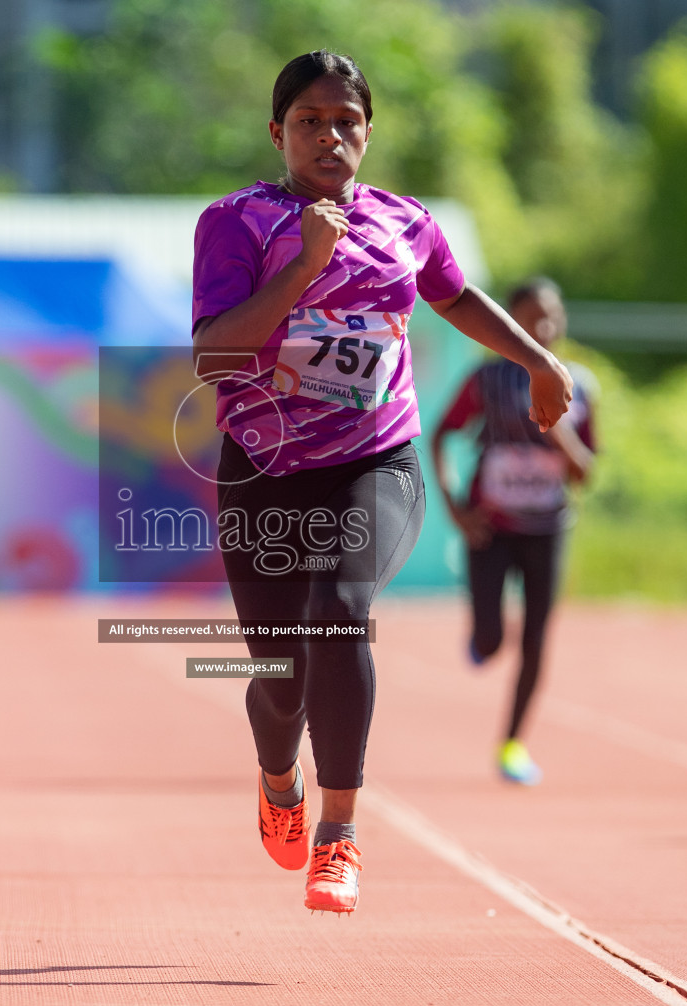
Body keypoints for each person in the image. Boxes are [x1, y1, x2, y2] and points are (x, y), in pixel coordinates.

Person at [192, 51, 572, 914]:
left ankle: (340, 835)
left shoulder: (404, 222)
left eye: (347, 122)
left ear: (368, 131)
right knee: (279, 675)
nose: (330, 137)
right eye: (310, 122)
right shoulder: (237, 223)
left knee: (340, 611)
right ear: (277, 132)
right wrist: (300, 270)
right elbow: (213, 353)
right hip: (265, 470)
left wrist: (539, 358)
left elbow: (457, 295)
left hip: (376, 461)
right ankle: (277, 776)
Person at [430, 277, 597, 786]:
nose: (541, 327)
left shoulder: (581, 385)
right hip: (492, 529)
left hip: (547, 530)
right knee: (493, 639)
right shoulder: (487, 381)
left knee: (537, 639)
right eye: (529, 317)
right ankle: (483, 637)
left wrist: (559, 431)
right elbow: (440, 436)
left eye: (550, 317)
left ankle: (512, 743)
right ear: (510, 322)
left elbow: (585, 473)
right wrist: (457, 510)